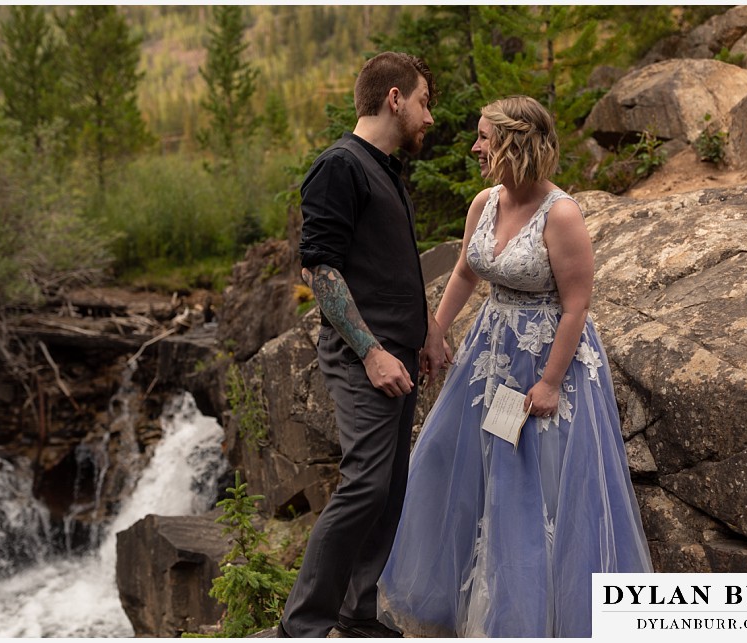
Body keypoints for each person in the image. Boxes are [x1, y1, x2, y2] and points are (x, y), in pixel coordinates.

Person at [376, 95, 654, 638]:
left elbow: (576, 306)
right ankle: (464, 608)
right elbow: (463, 271)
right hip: (488, 355)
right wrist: (436, 327)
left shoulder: (562, 213)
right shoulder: (485, 202)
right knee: (445, 460)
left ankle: (532, 622)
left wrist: (550, 382)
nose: (476, 147)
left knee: (531, 487)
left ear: (517, 144)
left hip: (548, 361)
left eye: (486, 137)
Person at [278, 52, 446, 638]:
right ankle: (302, 625)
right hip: (362, 356)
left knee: (389, 489)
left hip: (399, 354)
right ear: (394, 98)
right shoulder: (340, 165)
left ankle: (357, 612)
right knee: (367, 485)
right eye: (424, 101)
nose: (430, 116)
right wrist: (372, 351)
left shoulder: (388, 170)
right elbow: (319, 269)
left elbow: (389, 270)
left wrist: (425, 336)